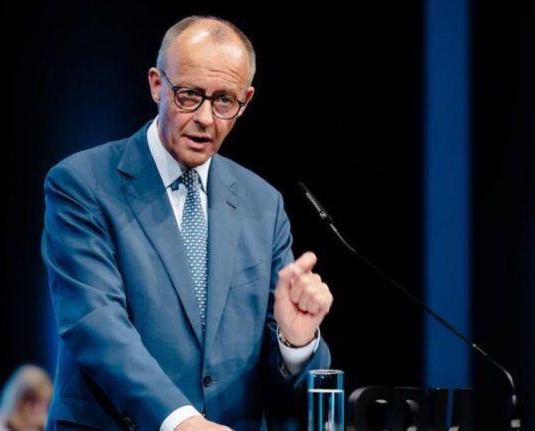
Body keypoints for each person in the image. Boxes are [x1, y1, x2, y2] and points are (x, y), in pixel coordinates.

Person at [41, 15, 334, 431]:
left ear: (246, 100)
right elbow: (96, 324)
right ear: (156, 84)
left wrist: (295, 342)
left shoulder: (263, 204)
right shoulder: (82, 183)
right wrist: (180, 421)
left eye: (224, 101)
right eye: (190, 95)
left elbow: (278, 376)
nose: (206, 118)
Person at [0, 364, 53, 431]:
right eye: (32, 400)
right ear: (16, 399)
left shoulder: (42, 427)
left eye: (43, 402)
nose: (38, 408)